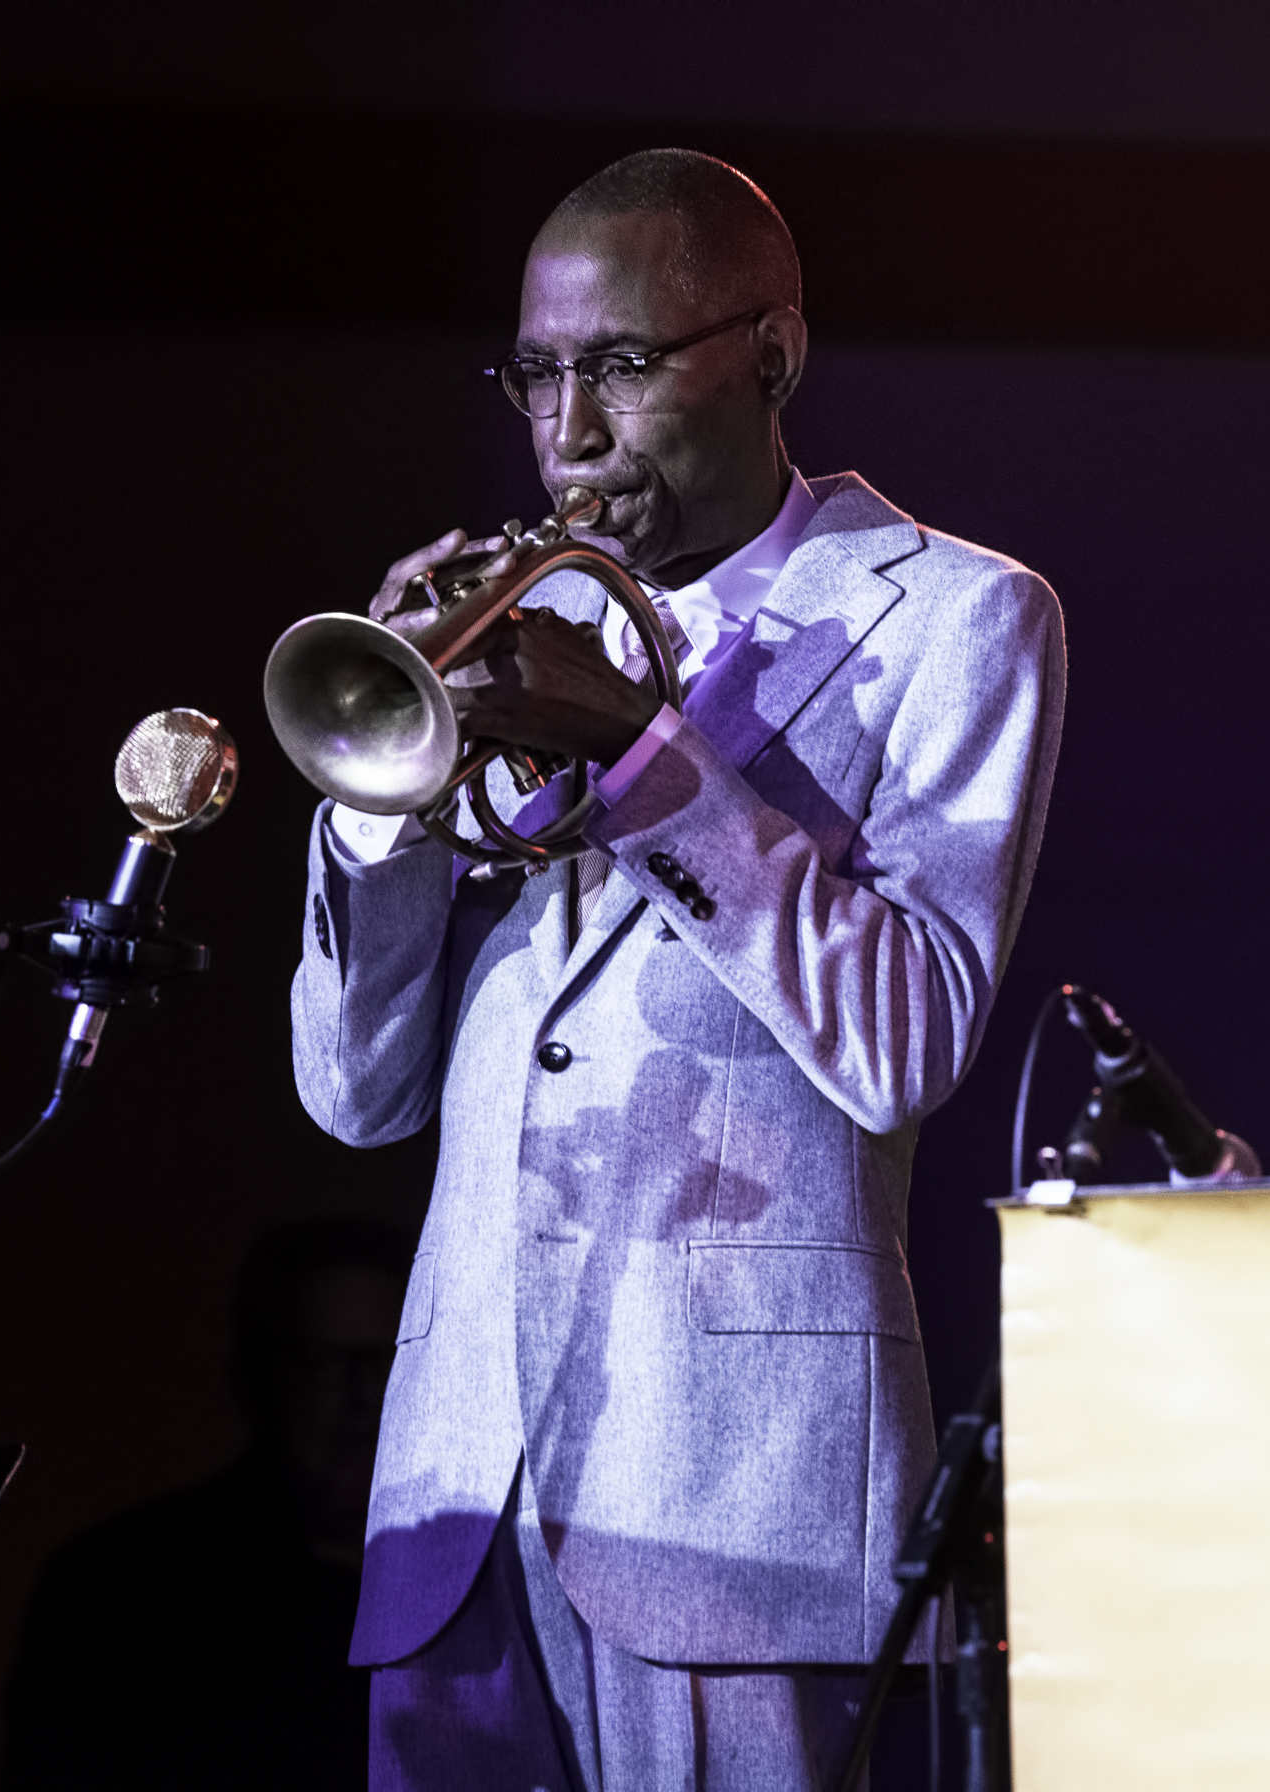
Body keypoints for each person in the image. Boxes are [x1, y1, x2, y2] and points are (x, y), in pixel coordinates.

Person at [290, 149, 1064, 1789]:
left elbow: (905, 1033)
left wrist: (639, 749)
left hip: (740, 1511)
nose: (568, 428)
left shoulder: (959, 616)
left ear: (773, 353)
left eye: (624, 366)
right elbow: (354, 1100)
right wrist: (384, 813)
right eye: (536, 374)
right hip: (458, 1510)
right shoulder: (521, 634)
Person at [3, 1218, 414, 1790]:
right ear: (256, 1379)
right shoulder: (121, 1593)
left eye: (391, 1360)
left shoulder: (500, 1588)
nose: (365, 1398)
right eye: (325, 1366)